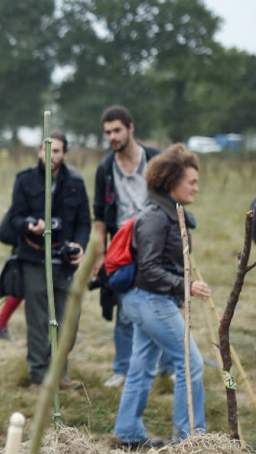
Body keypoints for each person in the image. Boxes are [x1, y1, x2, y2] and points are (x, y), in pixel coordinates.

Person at [113, 144, 209, 448]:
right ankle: (190, 438)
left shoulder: (172, 213)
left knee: (141, 366)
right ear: (171, 183)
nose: (197, 186)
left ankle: (127, 433)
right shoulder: (155, 217)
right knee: (191, 364)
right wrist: (185, 285)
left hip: (148, 301)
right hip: (150, 300)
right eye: (191, 181)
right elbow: (149, 269)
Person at [6, 132, 90, 386]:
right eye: (46, 150)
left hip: (64, 262)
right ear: (39, 152)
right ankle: (38, 375)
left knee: (68, 322)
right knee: (39, 320)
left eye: (56, 151)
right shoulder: (24, 180)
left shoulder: (75, 182)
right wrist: (30, 224)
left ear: (64, 154)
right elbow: (14, 218)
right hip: (33, 258)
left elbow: (84, 222)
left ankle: (59, 373)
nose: (50, 156)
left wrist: (79, 245)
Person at [93, 106, 162, 388]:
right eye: (107, 132)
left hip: (156, 243)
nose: (112, 136)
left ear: (131, 128)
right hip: (122, 248)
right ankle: (122, 369)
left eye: (117, 130)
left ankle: (168, 366)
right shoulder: (105, 169)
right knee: (124, 310)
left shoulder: (156, 159)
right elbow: (99, 217)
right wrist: (98, 254)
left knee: (161, 306)